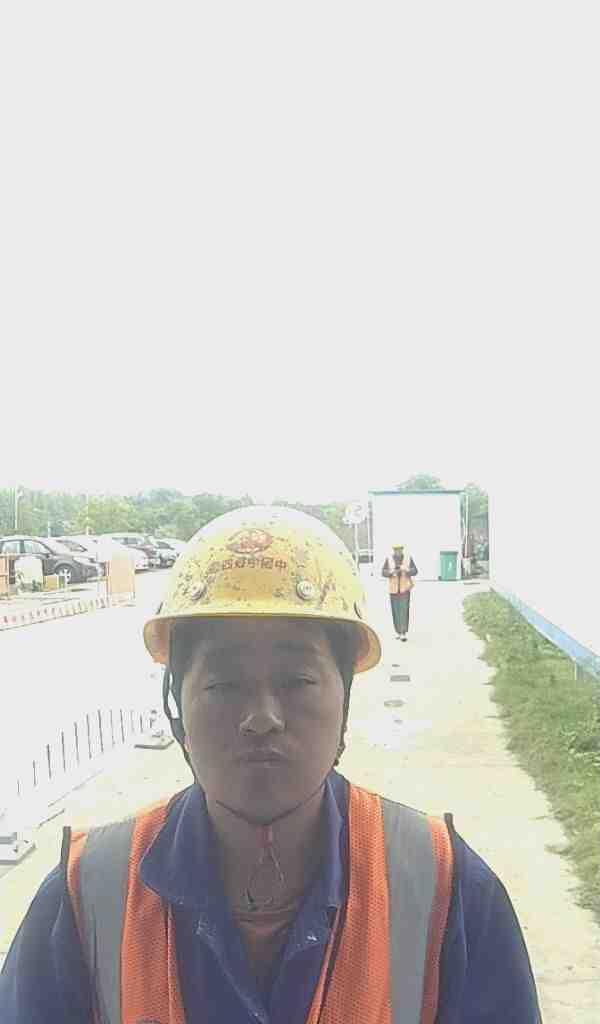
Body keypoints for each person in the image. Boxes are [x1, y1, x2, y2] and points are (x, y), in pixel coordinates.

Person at [0, 506, 541, 1023]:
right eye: (223, 683)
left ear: (344, 699)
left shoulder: (445, 888)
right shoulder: (86, 896)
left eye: (297, 680)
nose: (261, 718)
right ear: (177, 704)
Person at [382, 543, 418, 640]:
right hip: (393, 590)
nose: (398, 552)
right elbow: (383, 572)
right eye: (396, 550)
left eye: (399, 550)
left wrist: (406, 570)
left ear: (402, 550)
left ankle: (403, 632)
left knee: (404, 611)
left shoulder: (408, 559)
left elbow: (415, 571)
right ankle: (398, 631)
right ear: (393, 550)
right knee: (396, 611)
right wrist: (391, 573)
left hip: (404, 589)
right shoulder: (389, 559)